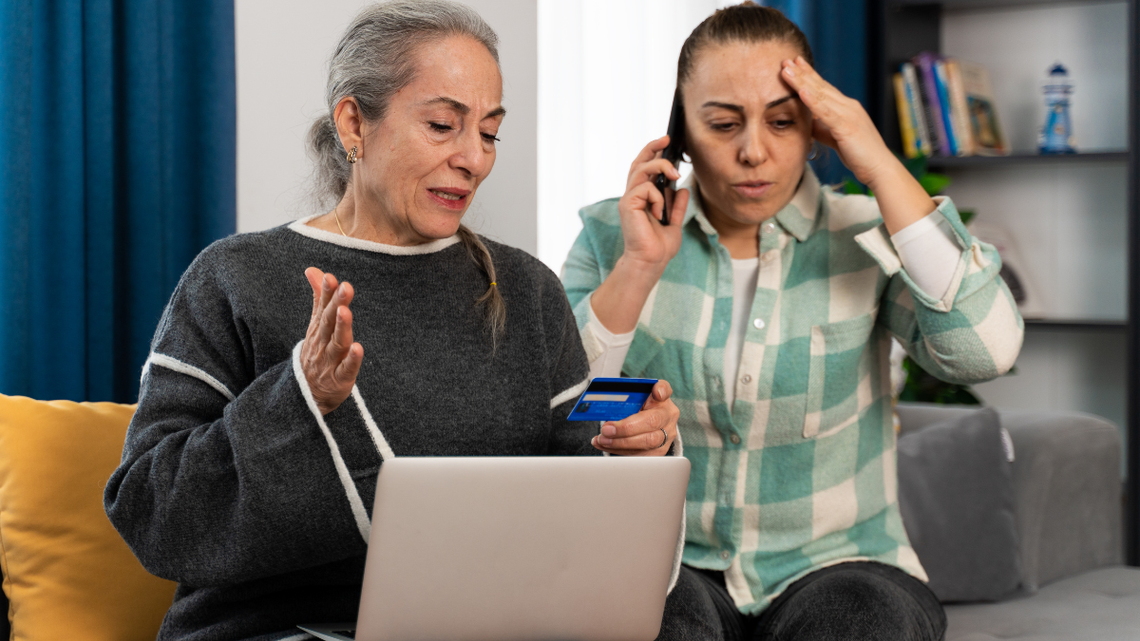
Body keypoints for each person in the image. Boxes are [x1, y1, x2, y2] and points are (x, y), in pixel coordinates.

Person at [103, 3, 685, 640]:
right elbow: (151, 513)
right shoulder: (234, 278)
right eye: (443, 125)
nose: (475, 159)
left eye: (489, 133)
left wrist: (637, 448)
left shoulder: (527, 291)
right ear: (354, 122)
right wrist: (299, 399)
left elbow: (585, 491)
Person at [561, 3, 1024, 640]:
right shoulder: (613, 235)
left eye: (782, 122)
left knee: (860, 622)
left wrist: (878, 163)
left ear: (816, 128)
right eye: (722, 124)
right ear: (681, 134)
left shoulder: (868, 233)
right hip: (672, 560)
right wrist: (640, 267)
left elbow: (986, 352)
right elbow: (562, 409)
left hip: (843, 563)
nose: (754, 152)